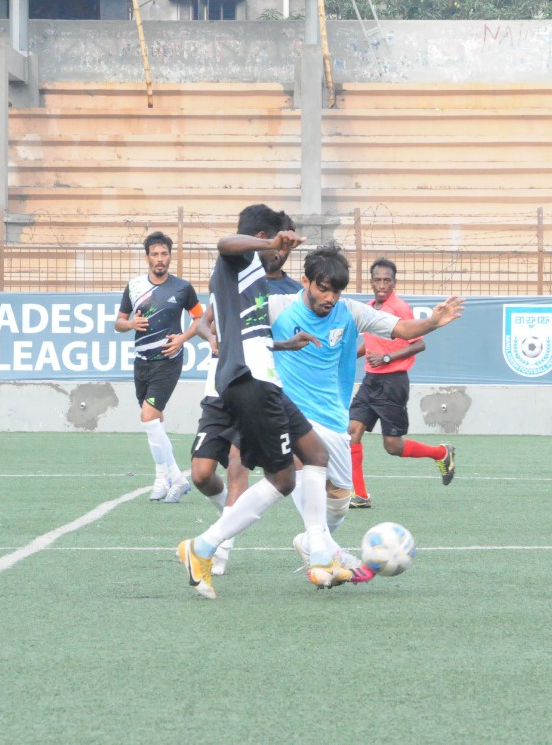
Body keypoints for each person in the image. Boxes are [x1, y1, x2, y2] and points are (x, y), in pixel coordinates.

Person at [176, 204, 353, 599]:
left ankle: (319, 549)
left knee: (314, 456)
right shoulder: (236, 262)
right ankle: (206, 547)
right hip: (249, 381)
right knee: (281, 478)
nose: (281, 253)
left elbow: (248, 330)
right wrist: (268, 242)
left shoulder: (254, 277)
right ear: (259, 239)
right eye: (277, 245)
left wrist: (285, 344)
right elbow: (225, 242)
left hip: (263, 380)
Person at [268, 244, 464, 579]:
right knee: (305, 472)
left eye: (337, 290)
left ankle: (315, 541)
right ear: (306, 282)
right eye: (323, 288)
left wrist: (432, 322)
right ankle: (317, 556)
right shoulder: (279, 307)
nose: (329, 297)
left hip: (335, 413)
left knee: (341, 497)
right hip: (292, 411)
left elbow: (403, 330)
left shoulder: (351, 312)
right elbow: (234, 325)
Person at [347, 258, 455, 509]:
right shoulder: (368, 308)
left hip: (393, 382)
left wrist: (386, 358)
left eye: (387, 280)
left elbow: (418, 343)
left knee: (392, 446)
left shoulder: (400, 308)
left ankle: (441, 453)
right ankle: (360, 495)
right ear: (371, 282)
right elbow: (373, 342)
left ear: (394, 282)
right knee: (351, 433)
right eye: (378, 280)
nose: (382, 285)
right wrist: (350, 356)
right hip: (370, 381)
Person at [115, 231, 203, 503]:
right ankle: (169, 478)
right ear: (147, 258)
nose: (160, 259)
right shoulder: (134, 287)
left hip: (168, 360)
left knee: (148, 416)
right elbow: (119, 323)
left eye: (164, 254)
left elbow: (201, 319)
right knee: (155, 421)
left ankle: (167, 478)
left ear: (169, 256)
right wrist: (130, 325)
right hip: (141, 362)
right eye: (155, 254)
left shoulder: (182, 288)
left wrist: (183, 338)